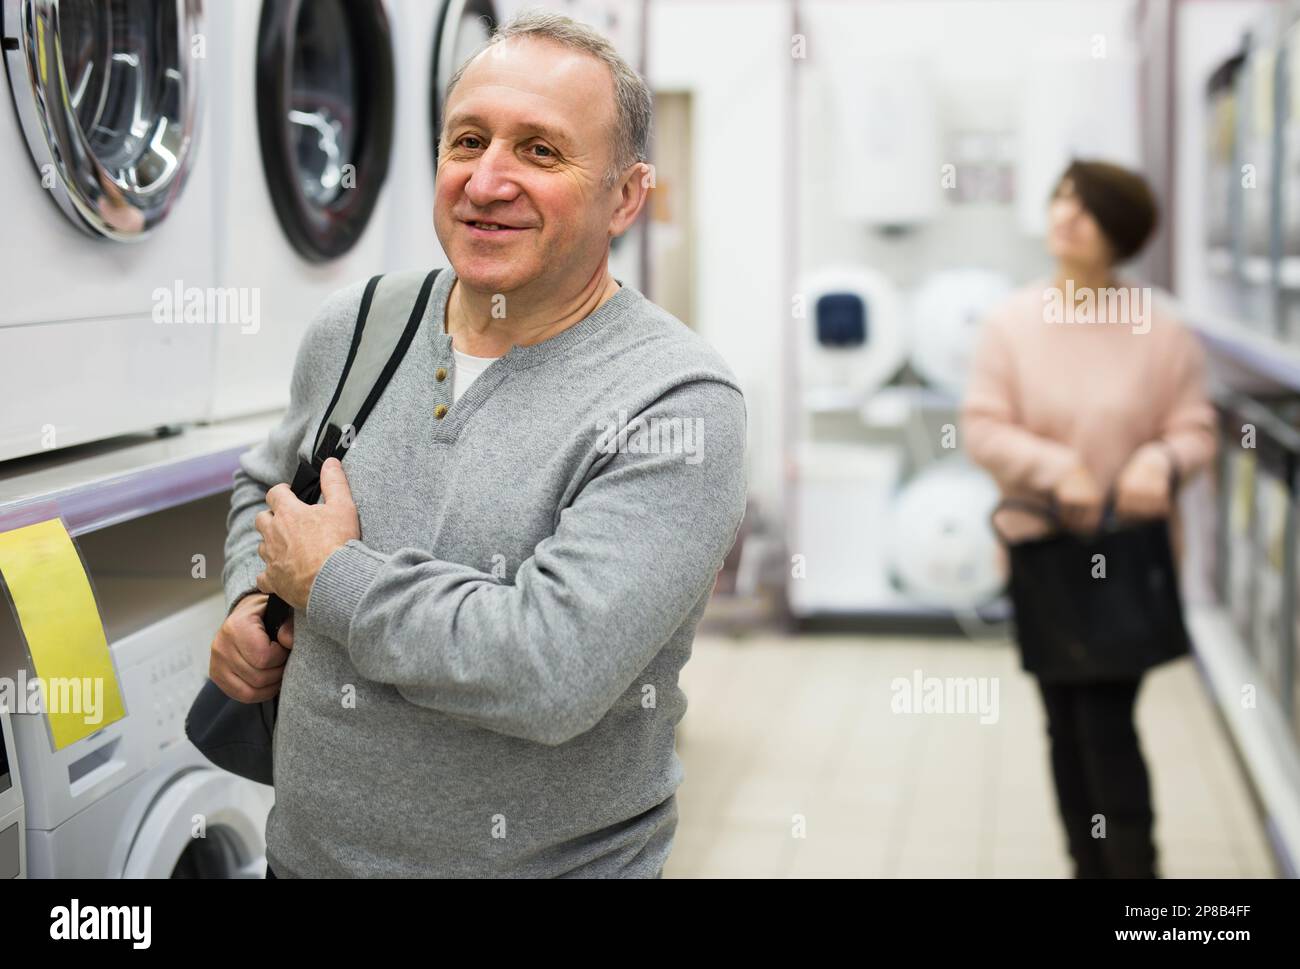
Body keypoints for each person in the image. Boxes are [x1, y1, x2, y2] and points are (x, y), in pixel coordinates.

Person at [207, 11, 747, 877]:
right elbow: (266, 484)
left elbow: (550, 668)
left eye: (541, 151)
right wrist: (245, 596)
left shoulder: (676, 401)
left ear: (626, 196)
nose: (487, 180)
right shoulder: (359, 324)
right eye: (468, 140)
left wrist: (331, 579)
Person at [962, 160, 1216, 878]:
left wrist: (1161, 461)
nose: (1066, 216)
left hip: (1127, 564)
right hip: (1044, 558)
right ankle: (1089, 862)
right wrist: (1056, 467)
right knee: (1062, 721)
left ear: (1122, 233)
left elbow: (1196, 428)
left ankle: (1135, 876)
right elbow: (983, 429)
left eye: (1088, 208)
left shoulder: (1163, 333)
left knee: (1105, 722)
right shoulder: (1012, 323)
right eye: (1060, 200)